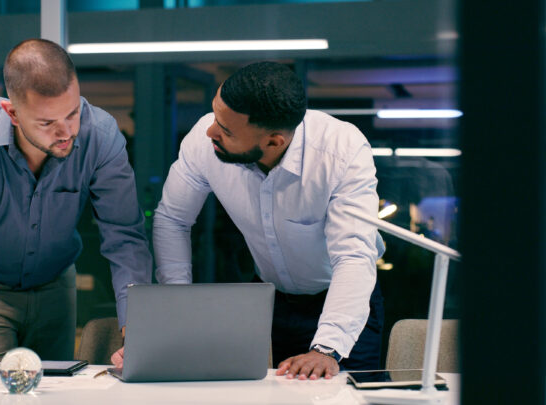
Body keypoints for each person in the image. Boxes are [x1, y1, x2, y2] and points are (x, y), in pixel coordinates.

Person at [112, 61, 384, 380]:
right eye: (216, 116)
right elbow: (173, 219)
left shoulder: (342, 150)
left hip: (343, 300)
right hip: (269, 299)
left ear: (273, 142)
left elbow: (353, 256)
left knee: (345, 396)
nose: (210, 131)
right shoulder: (204, 140)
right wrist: (177, 309)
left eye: (226, 130)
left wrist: (326, 349)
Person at [0, 38, 152, 378]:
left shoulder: (100, 135)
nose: (66, 131)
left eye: (73, 113)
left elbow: (125, 237)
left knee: (53, 394)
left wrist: (139, 334)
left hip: (55, 286)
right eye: (47, 123)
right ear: (12, 113)